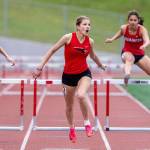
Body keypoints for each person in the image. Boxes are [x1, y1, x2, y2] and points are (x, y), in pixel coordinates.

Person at [32, 16, 106, 143]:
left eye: (89, 25)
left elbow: (93, 55)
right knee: (69, 106)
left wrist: (100, 65)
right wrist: (40, 66)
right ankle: (71, 128)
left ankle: (87, 124)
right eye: (84, 24)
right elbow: (52, 50)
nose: (87, 27)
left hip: (84, 73)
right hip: (68, 76)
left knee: (81, 95)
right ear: (78, 26)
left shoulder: (90, 41)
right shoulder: (68, 37)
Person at [105, 10, 150, 85]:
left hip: (139, 55)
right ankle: (127, 74)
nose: (133, 22)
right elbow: (119, 34)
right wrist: (111, 39)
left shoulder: (142, 30)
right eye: (131, 20)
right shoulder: (124, 28)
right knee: (130, 58)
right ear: (128, 21)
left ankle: (127, 70)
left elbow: (147, 40)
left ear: (138, 21)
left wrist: (144, 45)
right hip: (126, 53)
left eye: (135, 20)